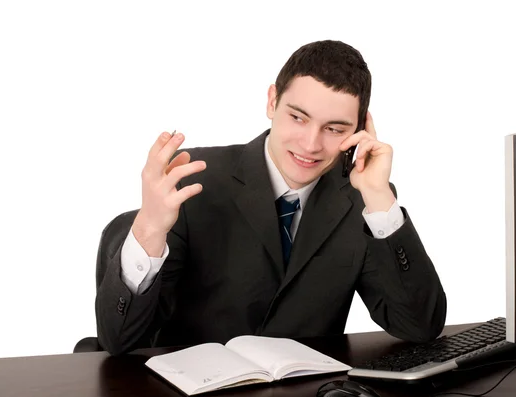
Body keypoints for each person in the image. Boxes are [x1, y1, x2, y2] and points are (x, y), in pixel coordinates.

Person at [95, 40, 447, 356]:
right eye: (297, 117)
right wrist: (149, 231)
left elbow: (419, 326)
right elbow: (119, 341)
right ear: (272, 101)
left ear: (358, 131)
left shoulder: (364, 200)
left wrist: (379, 199)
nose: (310, 144)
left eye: (334, 129)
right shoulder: (192, 179)